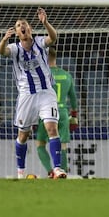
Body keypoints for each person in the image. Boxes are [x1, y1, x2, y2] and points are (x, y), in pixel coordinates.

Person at [0, 7, 67, 179]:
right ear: (17, 32)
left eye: (24, 24)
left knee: (52, 128)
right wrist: (4, 40)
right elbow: (2, 52)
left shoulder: (39, 42)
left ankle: (57, 168)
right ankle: (21, 172)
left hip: (46, 93)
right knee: (23, 135)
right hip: (26, 96)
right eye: (18, 25)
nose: (22, 26)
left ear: (30, 29)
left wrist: (46, 22)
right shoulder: (14, 48)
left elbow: (53, 38)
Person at [35, 47, 78, 178]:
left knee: (40, 144)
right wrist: (74, 116)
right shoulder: (67, 75)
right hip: (63, 113)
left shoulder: (42, 75)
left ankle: (50, 171)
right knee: (62, 145)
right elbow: (73, 98)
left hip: (46, 113)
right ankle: (61, 172)